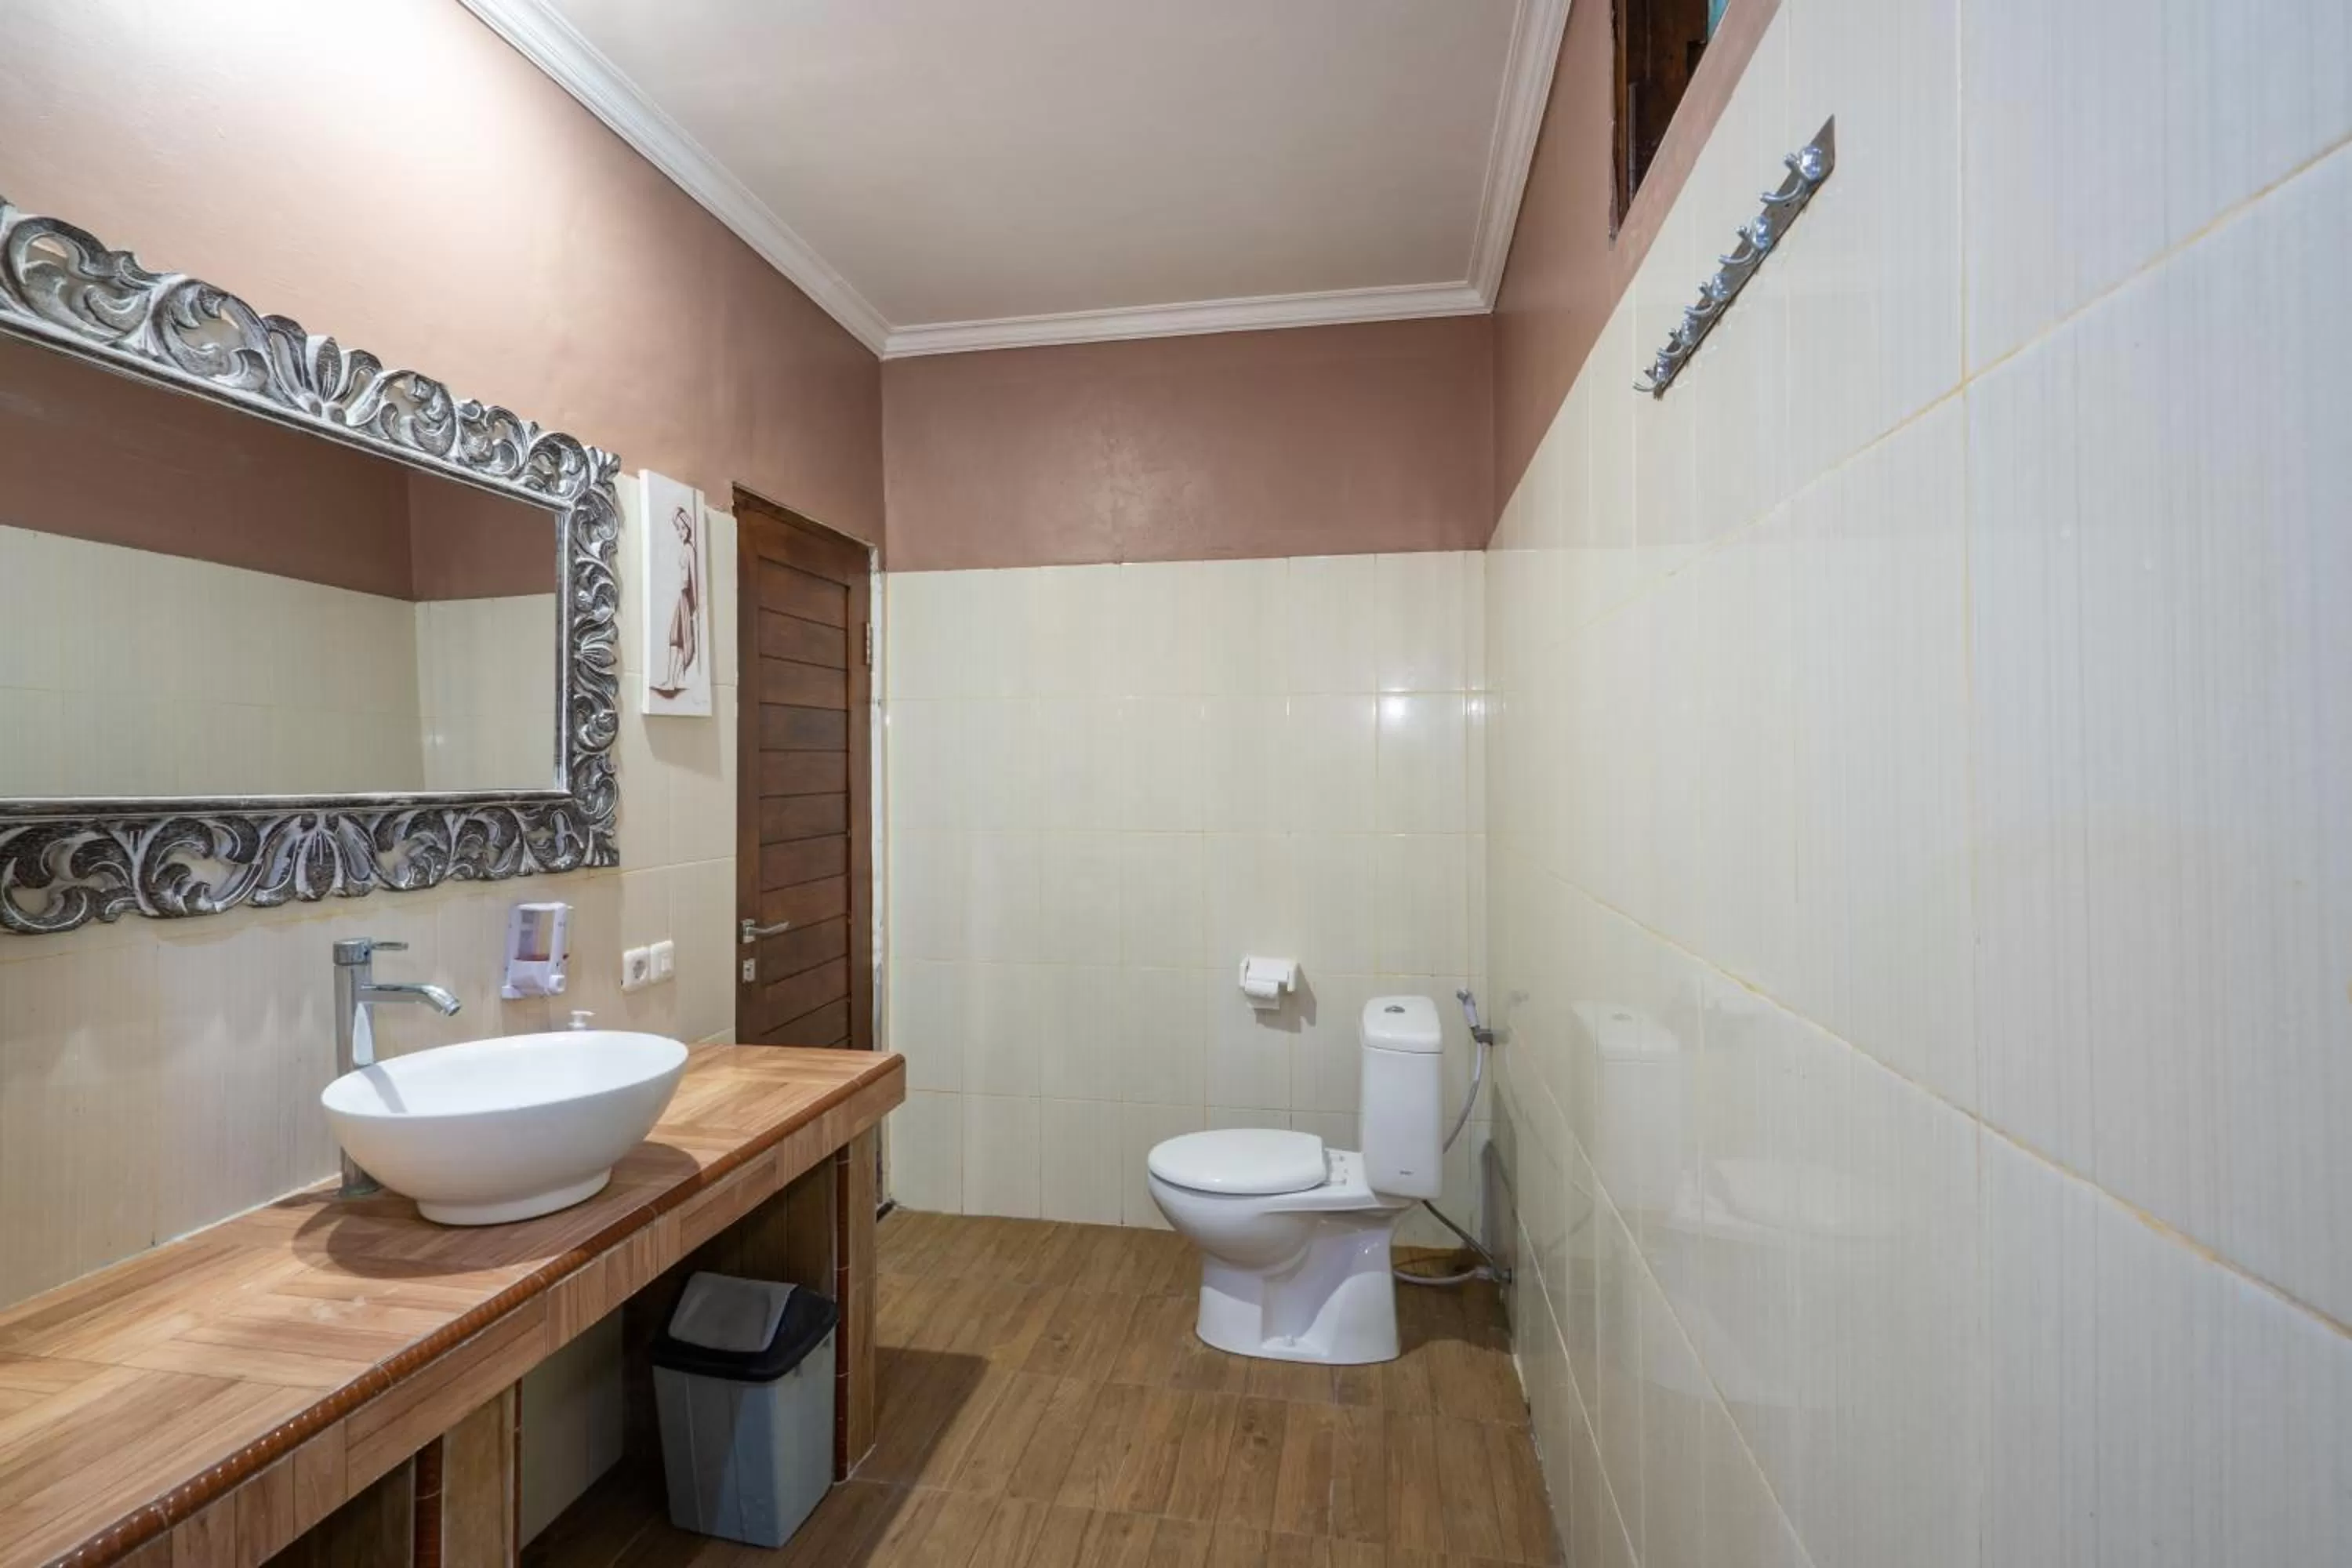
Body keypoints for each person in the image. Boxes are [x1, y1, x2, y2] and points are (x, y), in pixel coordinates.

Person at [654, 504, 700, 698]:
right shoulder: (684, 548)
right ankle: (672, 679)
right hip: (681, 595)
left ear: (689, 529)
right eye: (678, 529)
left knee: (679, 638)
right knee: (677, 639)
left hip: (686, 597)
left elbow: (695, 580)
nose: (681, 532)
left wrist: (694, 605)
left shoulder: (690, 549)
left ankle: (673, 680)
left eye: (683, 528)